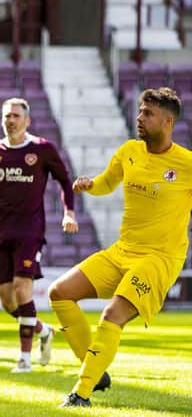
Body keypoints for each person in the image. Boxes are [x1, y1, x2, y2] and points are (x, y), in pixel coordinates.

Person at [48, 87, 192, 407]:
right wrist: (90, 185)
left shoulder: (186, 164)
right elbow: (107, 182)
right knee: (59, 293)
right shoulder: (129, 150)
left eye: (148, 113)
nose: (139, 118)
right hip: (123, 250)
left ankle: (81, 394)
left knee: (112, 315)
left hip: (159, 258)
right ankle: (96, 370)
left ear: (168, 122)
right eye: (140, 111)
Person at [0, 98, 78, 373]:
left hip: (30, 232)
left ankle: (24, 360)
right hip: (0, 233)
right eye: (7, 115)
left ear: (27, 121)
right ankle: (44, 331)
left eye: (16, 116)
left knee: (22, 290)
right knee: (8, 302)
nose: (11, 120)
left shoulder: (42, 149)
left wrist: (69, 212)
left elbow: (65, 180)